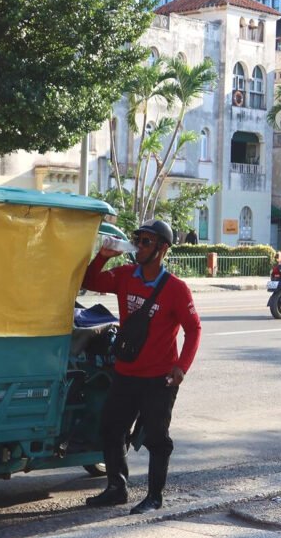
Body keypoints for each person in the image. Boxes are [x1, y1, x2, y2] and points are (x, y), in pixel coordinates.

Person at [83, 219, 201, 515]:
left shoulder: (176, 289)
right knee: (112, 429)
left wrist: (181, 367)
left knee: (156, 439)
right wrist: (102, 257)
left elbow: (194, 329)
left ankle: (154, 496)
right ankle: (116, 487)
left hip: (158, 379)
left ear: (162, 249)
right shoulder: (125, 275)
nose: (139, 246)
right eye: (138, 239)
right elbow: (90, 282)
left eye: (146, 241)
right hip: (126, 373)